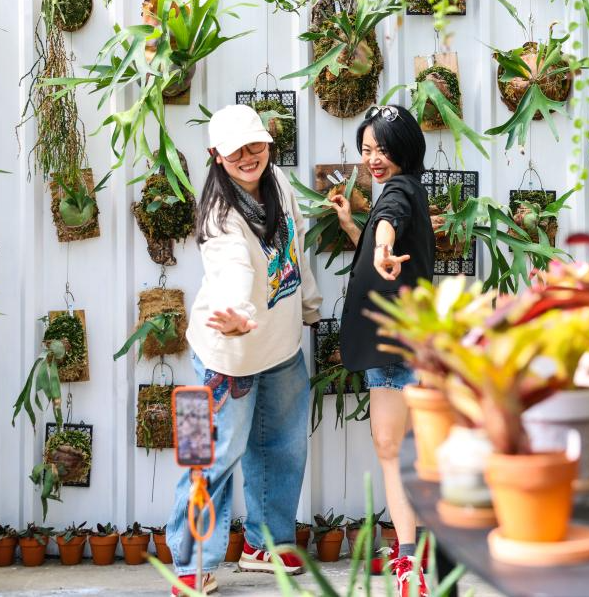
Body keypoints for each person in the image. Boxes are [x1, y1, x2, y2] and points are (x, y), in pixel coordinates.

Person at [164, 104, 322, 596]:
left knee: (283, 449)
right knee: (208, 456)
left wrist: (309, 304)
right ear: (216, 155)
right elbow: (233, 268)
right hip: (223, 355)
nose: (248, 157)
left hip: (280, 346)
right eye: (235, 152)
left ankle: (266, 544)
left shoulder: (279, 181)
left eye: (256, 145)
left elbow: (295, 247)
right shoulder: (218, 216)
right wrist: (235, 314)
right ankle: (190, 561)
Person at [331, 104, 435, 596]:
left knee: (392, 451)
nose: (373, 159)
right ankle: (418, 551)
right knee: (408, 451)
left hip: (392, 348)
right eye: (367, 149)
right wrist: (357, 230)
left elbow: (389, 222)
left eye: (383, 149)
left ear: (405, 150)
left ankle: (409, 564)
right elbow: (385, 232)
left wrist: (380, 245)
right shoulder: (411, 189)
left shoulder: (396, 192)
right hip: (409, 340)